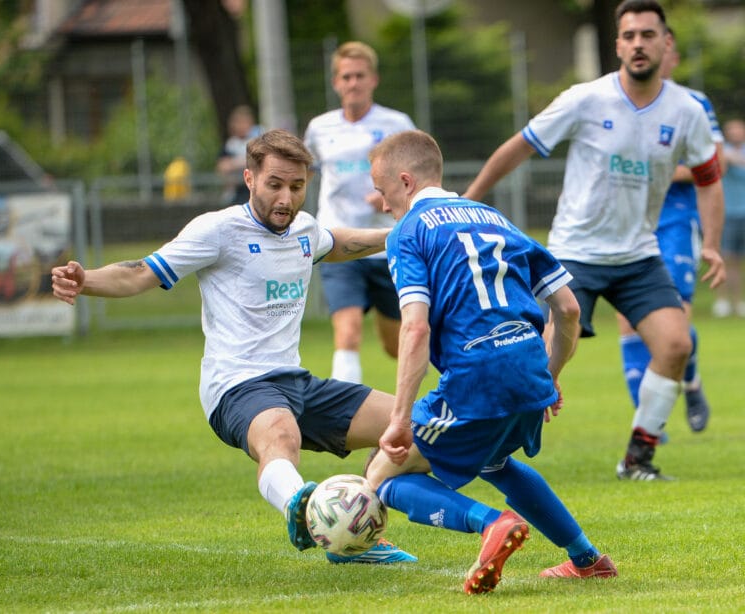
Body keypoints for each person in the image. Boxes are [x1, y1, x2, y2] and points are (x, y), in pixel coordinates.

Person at [51, 129, 415, 565]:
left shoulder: (303, 228)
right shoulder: (218, 230)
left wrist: (398, 234)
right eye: (274, 184)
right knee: (282, 435)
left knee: (410, 431)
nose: (286, 197)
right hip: (236, 385)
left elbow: (336, 244)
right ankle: (303, 509)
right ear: (249, 178)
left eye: (297, 187)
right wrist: (85, 279)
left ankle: (349, 533)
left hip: (295, 382)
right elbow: (140, 272)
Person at [463, 0, 725, 481]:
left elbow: (711, 176)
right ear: (618, 45)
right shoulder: (586, 98)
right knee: (540, 362)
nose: (638, 44)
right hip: (574, 255)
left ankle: (637, 459)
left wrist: (711, 242)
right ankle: (492, 449)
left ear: (666, 44)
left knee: (675, 344)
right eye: (629, 36)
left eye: (648, 35)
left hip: (638, 256)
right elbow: (520, 144)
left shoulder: (686, 111)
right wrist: (470, 201)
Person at [364, 130, 616, 594]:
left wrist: (400, 419)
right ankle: (587, 559)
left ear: (404, 182)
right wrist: (550, 376)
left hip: (477, 375)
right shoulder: (496, 218)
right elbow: (568, 309)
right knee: (495, 460)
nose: (382, 205)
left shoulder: (409, 233)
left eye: (382, 192)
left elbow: (415, 329)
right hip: (528, 370)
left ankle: (492, 524)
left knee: (383, 472)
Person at [615, 28, 725, 434]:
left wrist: (656, 171)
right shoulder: (617, 103)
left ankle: (690, 381)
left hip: (677, 219)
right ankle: (647, 427)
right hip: (629, 222)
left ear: (671, 54)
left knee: (673, 318)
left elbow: (717, 165)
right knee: (630, 318)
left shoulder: (693, 104)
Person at [303, 41, 415, 384]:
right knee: (348, 332)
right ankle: (344, 418)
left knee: (398, 346)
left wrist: (389, 194)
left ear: (373, 80)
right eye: (346, 76)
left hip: (386, 243)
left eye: (359, 76)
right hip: (338, 242)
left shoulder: (397, 124)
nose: (353, 83)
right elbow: (303, 174)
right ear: (336, 82)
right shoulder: (320, 128)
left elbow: (417, 178)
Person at [712, 119, 745, 317]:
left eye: (738, 130)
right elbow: (717, 167)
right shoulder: (721, 151)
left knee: (739, 261)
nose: (735, 134)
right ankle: (722, 301)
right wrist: (727, 157)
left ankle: (740, 301)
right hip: (727, 212)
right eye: (731, 130)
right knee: (725, 258)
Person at [216, 105, 262, 206]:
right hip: (236, 191)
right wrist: (243, 162)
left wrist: (233, 163)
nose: (241, 126)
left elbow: (258, 162)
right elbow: (223, 167)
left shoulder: (257, 142)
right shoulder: (230, 145)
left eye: (244, 122)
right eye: (238, 122)